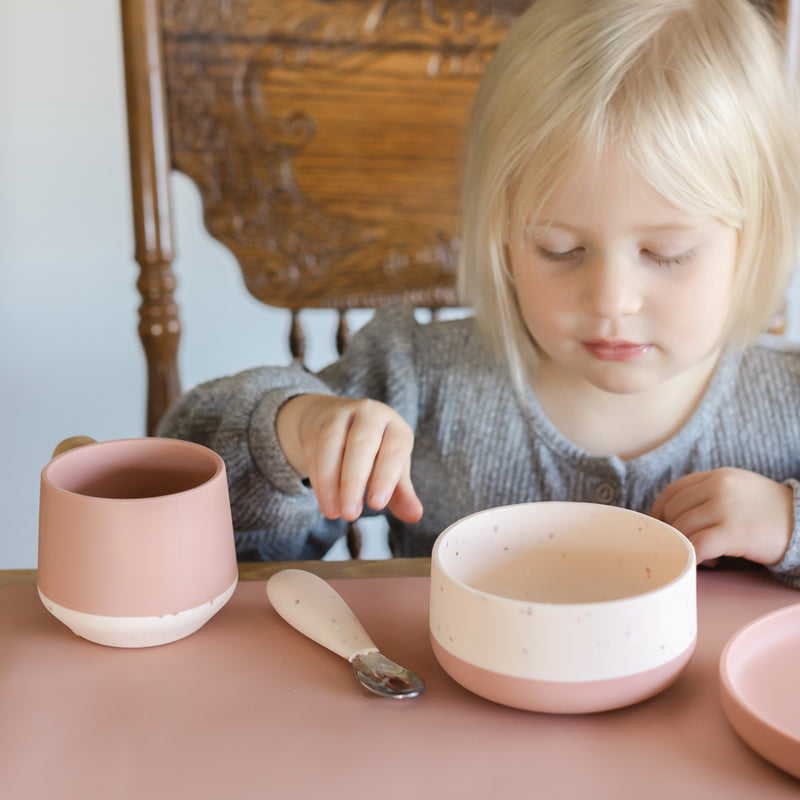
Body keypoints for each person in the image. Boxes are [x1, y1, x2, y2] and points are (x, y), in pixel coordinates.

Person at [159, 0, 800, 587]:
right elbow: (193, 521)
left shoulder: (789, 403)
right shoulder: (416, 375)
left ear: (757, 237)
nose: (611, 299)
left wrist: (789, 523)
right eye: (559, 248)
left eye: (667, 253)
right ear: (501, 235)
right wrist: (293, 433)